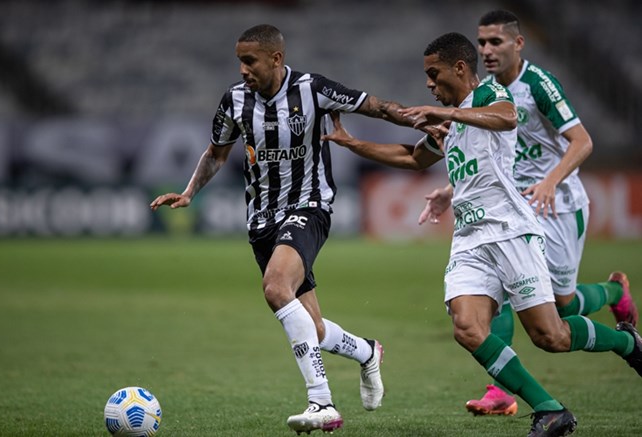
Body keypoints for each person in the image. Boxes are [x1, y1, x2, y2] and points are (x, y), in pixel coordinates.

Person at [322, 31, 642, 437]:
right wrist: (352, 144)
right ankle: (549, 409)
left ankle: (627, 344)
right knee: (468, 328)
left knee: (552, 336)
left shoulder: (490, 93)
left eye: (434, 75)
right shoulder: (451, 118)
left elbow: (508, 117)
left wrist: (448, 115)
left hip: (511, 231)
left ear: (460, 68)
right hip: (471, 239)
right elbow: (413, 157)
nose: (428, 84)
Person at [150, 24, 414, 435]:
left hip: (309, 207)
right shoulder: (234, 101)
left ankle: (322, 403)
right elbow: (217, 154)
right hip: (261, 221)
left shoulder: (313, 89)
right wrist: (189, 192)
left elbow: (378, 106)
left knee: (276, 288)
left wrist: (426, 122)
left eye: (250, 60)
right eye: (239, 60)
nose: (242, 69)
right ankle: (367, 352)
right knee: (314, 327)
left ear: (276, 58)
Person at [416, 10, 639, 417]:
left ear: (518, 44)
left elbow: (582, 140)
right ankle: (500, 389)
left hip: (557, 204)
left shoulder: (535, 85)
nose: (487, 50)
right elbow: (494, 157)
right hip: (515, 207)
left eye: (496, 42)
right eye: (481, 42)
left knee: (561, 311)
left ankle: (614, 293)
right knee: (495, 299)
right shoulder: (480, 95)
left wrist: (552, 180)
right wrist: (452, 189)